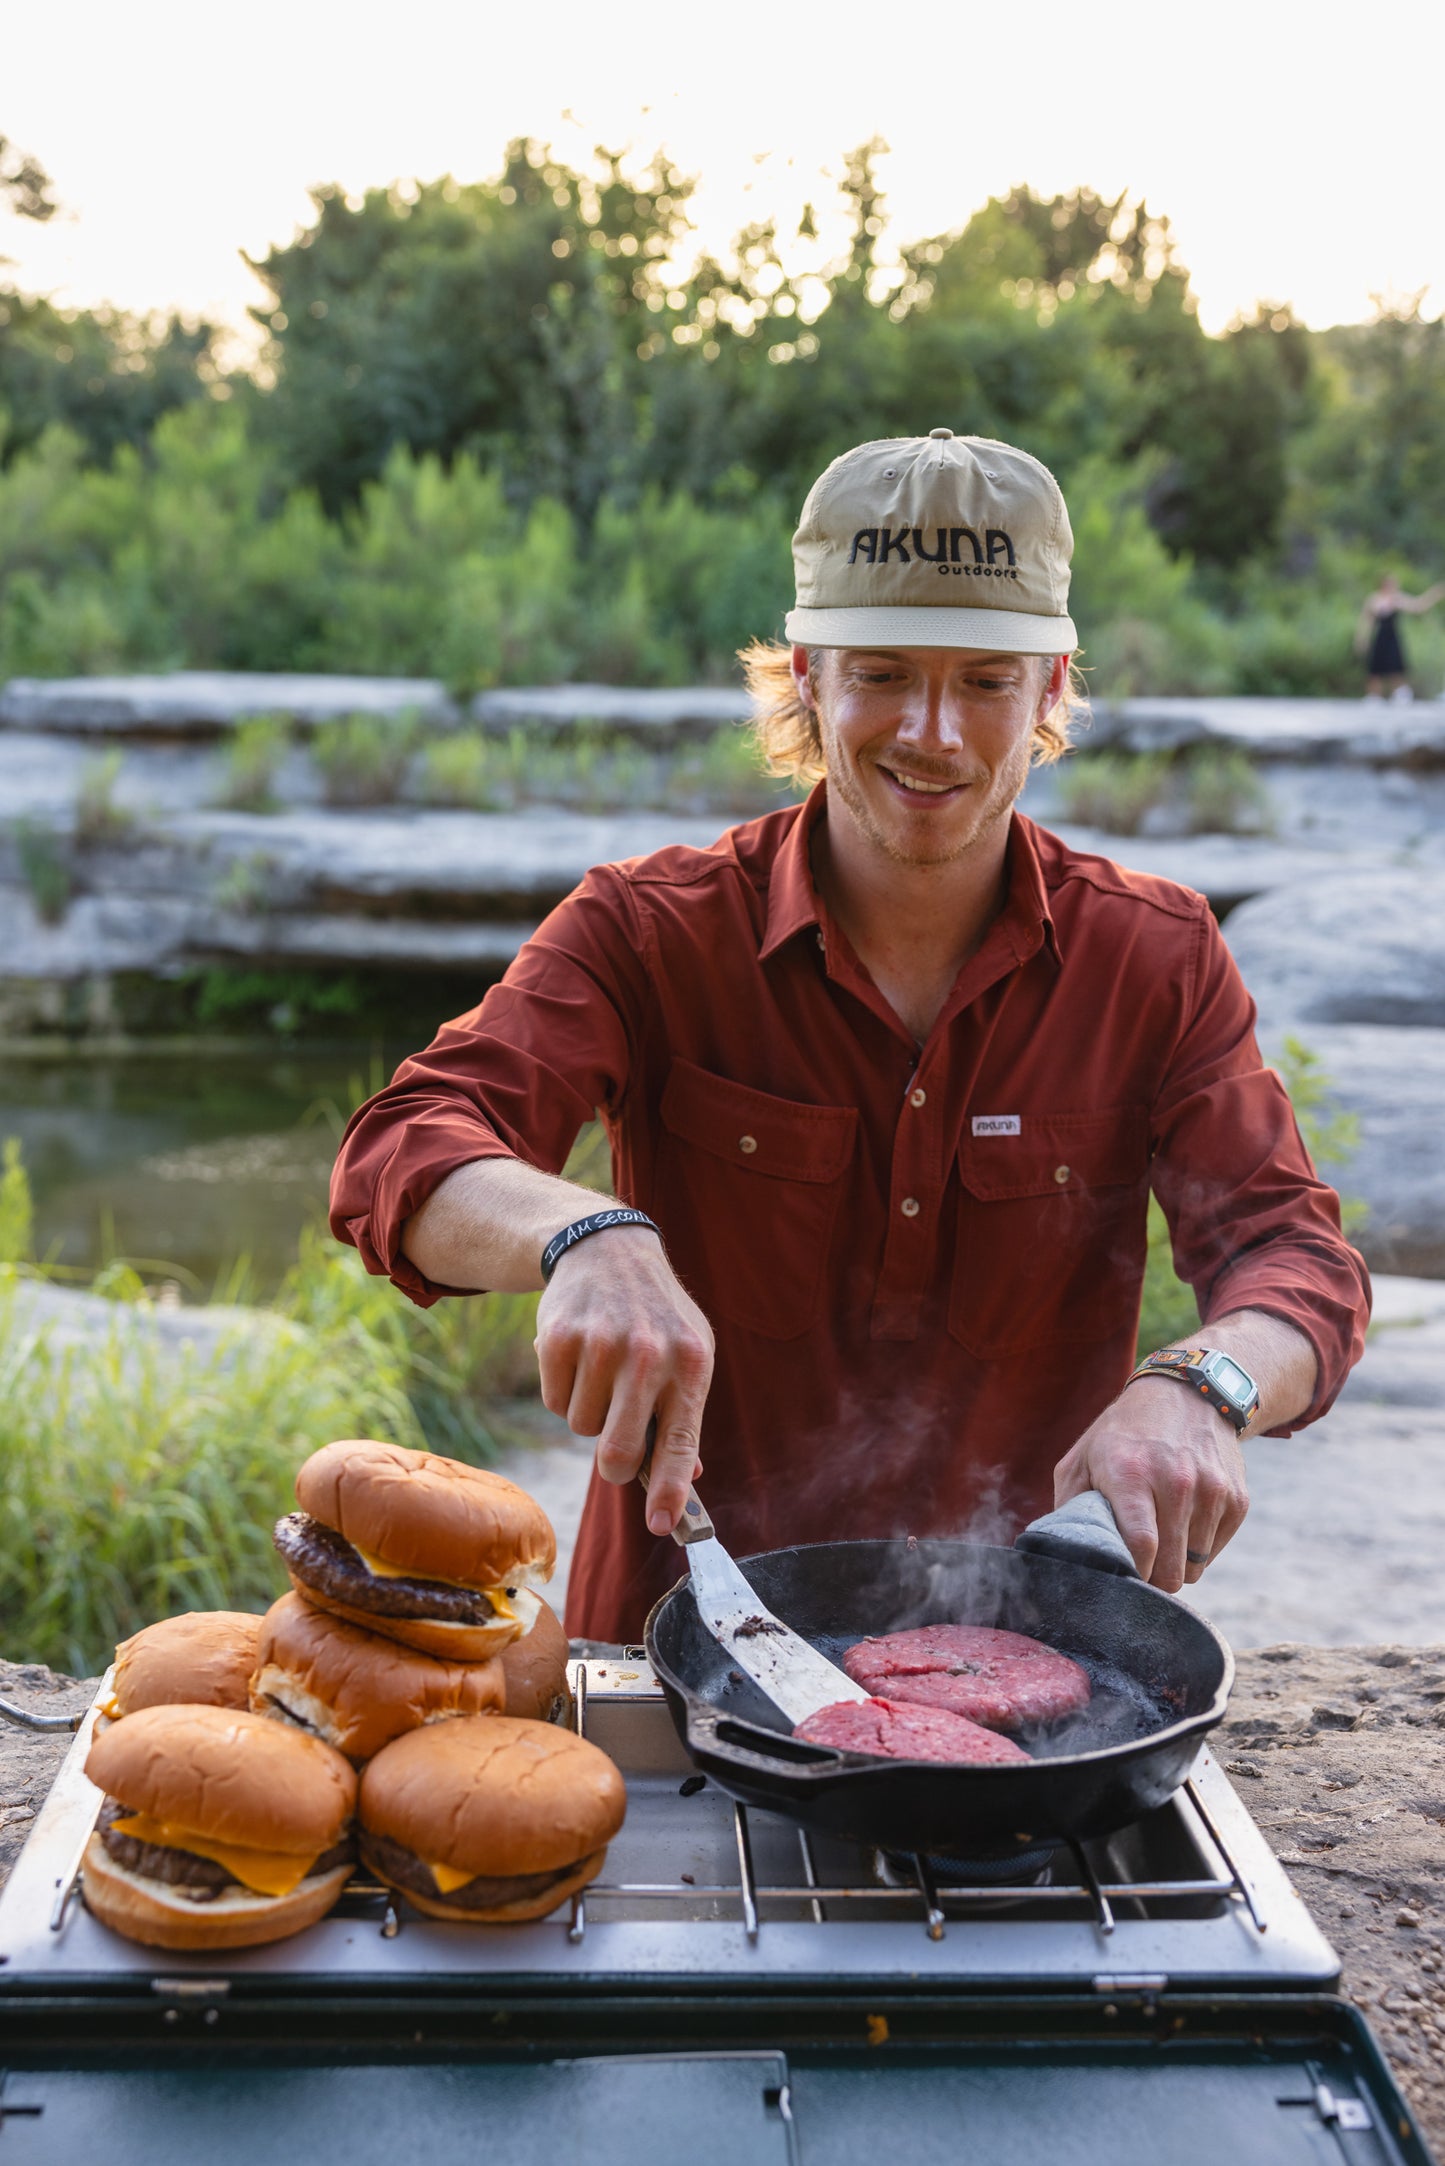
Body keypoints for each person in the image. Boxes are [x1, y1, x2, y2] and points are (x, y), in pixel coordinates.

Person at [331, 430, 1370, 1644]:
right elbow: (398, 1151)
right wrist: (580, 1233)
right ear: (807, 675)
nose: (930, 731)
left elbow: (1293, 1259)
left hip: (1029, 1672)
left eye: (983, 681)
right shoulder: (645, 930)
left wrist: (1203, 1387)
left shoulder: (1155, 955)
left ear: (1048, 687)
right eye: (881, 672)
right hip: (675, 1659)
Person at [1356, 571, 1445, 700]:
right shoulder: (1374, 598)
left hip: (1393, 638)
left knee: (1395, 666)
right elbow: (1366, 620)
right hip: (1379, 638)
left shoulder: (1398, 598)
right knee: (1375, 668)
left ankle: (1399, 692)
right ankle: (1374, 695)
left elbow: (1418, 606)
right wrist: (1361, 638)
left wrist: (1435, 593)